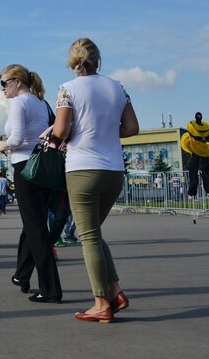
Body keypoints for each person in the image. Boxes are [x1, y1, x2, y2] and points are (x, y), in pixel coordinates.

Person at [52, 38, 139, 322]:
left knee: (87, 237)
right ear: (98, 60)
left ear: (72, 61)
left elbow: (62, 130)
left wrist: (56, 136)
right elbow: (131, 128)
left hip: (82, 169)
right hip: (113, 171)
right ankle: (115, 290)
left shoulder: (68, 89)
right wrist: (104, 131)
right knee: (92, 233)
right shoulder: (118, 87)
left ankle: (101, 302)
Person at [0, 63, 62, 304]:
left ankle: (51, 289)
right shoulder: (40, 102)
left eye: (4, 83)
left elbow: (16, 138)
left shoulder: (18, 102)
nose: (2, 89)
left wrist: (2, 145)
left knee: (35, 229)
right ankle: (22, 275)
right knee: (33, 223)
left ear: (17, 82)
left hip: (25, 167)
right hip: (43, 168)